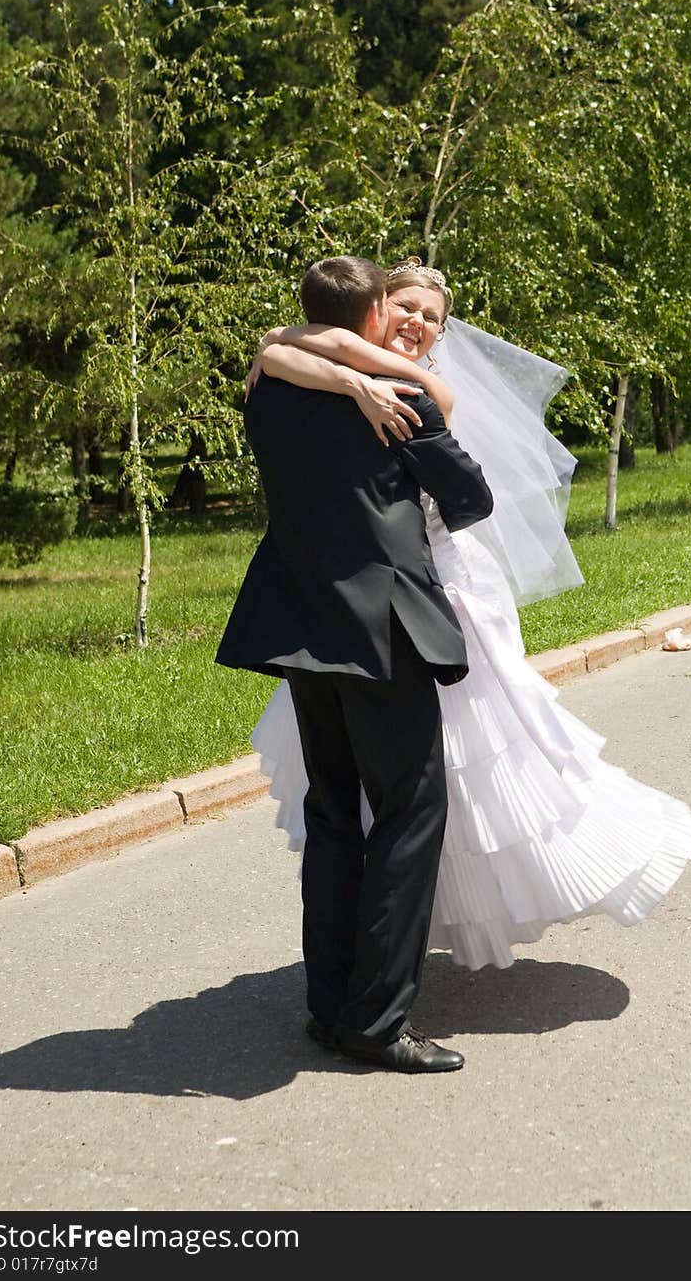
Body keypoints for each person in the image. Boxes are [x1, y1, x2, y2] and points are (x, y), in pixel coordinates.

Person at [247, 257, 691, 974]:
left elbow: (451, 489)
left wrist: (349, 372)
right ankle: (376, 961)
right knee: (396, 792)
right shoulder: (306, 366)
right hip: (359, 608)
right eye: (404, 308)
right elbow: (279, 349)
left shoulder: (425, 395)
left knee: (470, 771)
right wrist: (350, 376)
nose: (416, 323)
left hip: (438, 595)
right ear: (375, 311)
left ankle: (388, 954)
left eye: (431, 318)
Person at [216, 255, 494, 1073]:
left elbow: (275, 346)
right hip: (384, 631)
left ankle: (329, 1007)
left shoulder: (267, 385)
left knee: (335, 811)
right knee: (410, 813)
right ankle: (376, 1023)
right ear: (374, 315)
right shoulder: (402, 398)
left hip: (301, 621)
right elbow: (471, 500)